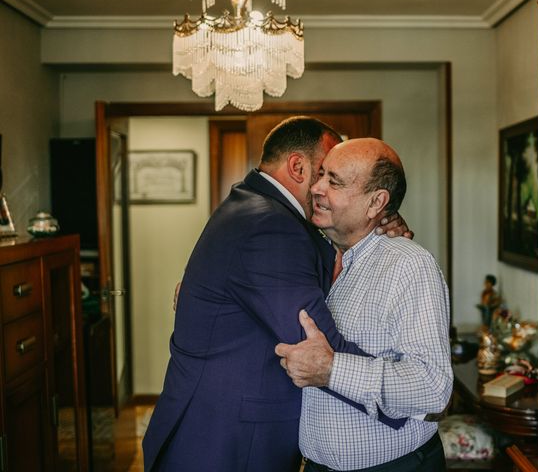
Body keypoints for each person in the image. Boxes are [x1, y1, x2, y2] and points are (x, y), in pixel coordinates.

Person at [142, 117, 411, 472]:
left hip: (215, 431)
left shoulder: (253, 207)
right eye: (326, 173)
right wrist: (406, 402)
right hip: (224, 445)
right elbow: (315, 341)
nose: (325, 189)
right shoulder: (270, 226)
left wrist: (373, 225)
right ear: (298, 167)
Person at [276, 138, 452, 471]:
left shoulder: (409, 266)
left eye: (334, 182)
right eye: (322, 174)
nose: (316, 187)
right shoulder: (316, 256)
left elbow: (432, 388)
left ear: (376, 203)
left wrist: (331, 370)